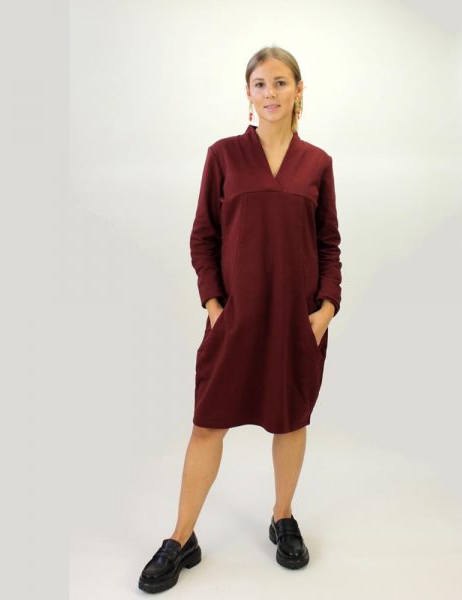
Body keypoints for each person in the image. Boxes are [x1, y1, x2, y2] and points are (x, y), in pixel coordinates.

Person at [138, 45, 342, 593]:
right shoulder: (224, 156)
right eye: (259, 84)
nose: (270, 93)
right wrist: (214, 306)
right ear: (247, 94)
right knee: (208, 425)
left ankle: (282, 517)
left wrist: (325, 309)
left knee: (290, 421)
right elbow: (203, 236)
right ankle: (181, 538)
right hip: (235, 320)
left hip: (296, 322)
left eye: (280, 82)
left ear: (299, 90)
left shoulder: (317, 163)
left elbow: (329, 243)